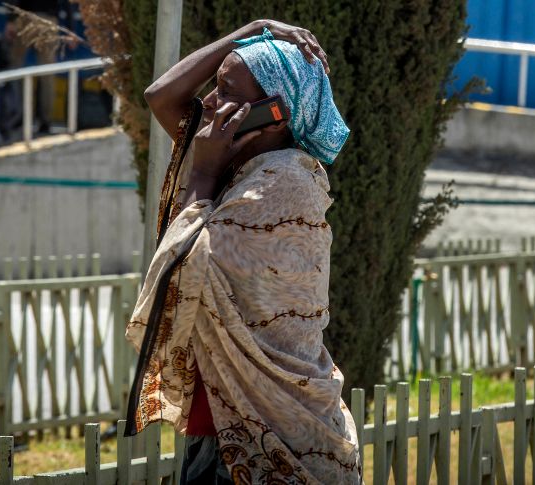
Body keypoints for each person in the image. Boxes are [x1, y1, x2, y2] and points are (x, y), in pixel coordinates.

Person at [124, 19, 362, 485]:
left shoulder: (284, 181)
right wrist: (247, 34)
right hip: (219, 422)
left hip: (262, 431)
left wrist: (203, 177)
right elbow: (161, 97)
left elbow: (182, 270)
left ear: (274, 112)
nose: (209, 101)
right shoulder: (236, 161)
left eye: (226, 90)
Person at [3, 0, 74, 135]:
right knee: (47, 74)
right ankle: (45, 121)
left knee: (16, 69)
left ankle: (18, 115)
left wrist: (11, 20)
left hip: (24, 18)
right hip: (48, 21)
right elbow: (67, 3)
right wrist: (70, 29)